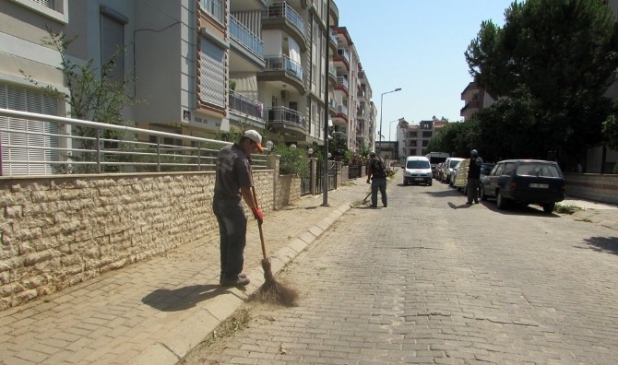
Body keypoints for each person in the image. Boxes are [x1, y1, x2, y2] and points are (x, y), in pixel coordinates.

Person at [212, 130, 264, 287]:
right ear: (247, 142)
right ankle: (232, 276)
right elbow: (246, 190)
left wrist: (248, 160)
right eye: (254, 147)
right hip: (231, 204)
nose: (254, 150)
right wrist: (255, 210)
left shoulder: (224, 151)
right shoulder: (241, 160)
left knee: (226, 239)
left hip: (217, 202)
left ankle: (226, 273)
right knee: (237, 240)